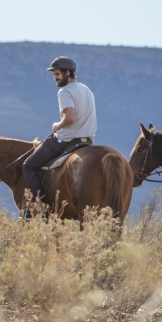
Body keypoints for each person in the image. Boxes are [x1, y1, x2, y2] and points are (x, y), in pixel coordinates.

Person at [22, 56, 97, 214]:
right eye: (54, 75)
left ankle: (38, 207)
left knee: (28, 166)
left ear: (67, 72)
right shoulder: (86, 89)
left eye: (57, 74)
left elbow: (70, 117)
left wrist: (58, 125)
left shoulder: (65, 92)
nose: (55, 78)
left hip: (66, 140)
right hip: (87, 141)